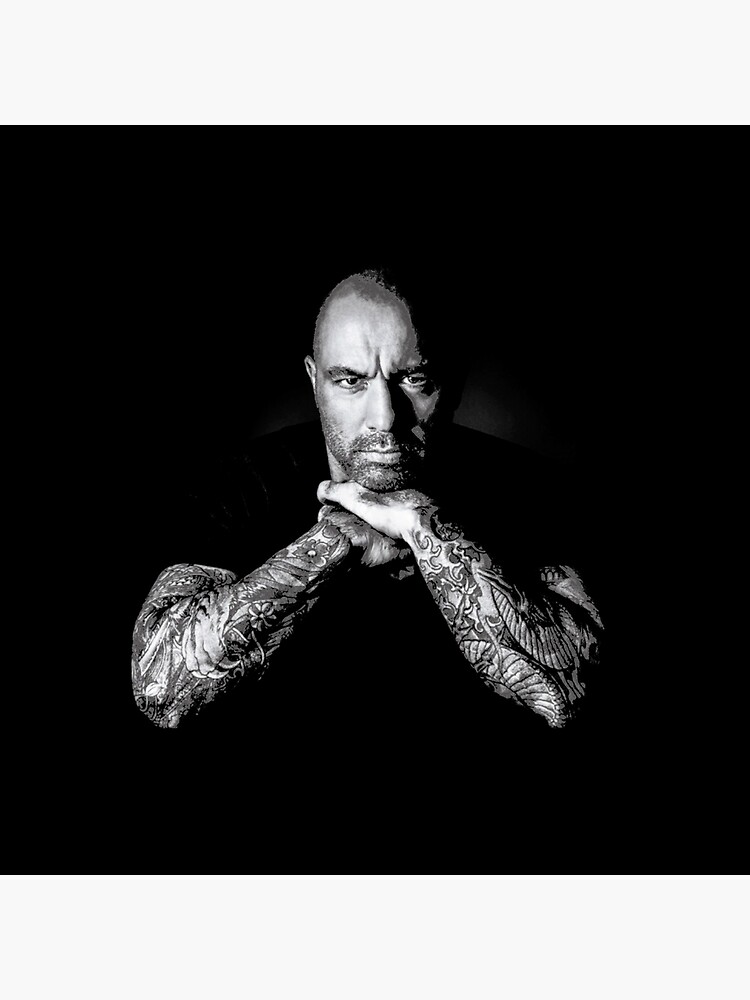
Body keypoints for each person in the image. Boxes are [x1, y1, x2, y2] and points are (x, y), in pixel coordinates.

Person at [131, 270, 603, 738]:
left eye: (415, 379)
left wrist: (426, 528)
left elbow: (571, 693)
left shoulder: (534, 492)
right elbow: (163, 692)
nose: (385, 417)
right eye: (351, 381)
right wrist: (334, 543)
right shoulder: (237, 488)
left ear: (454, 383)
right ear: (314, 381)